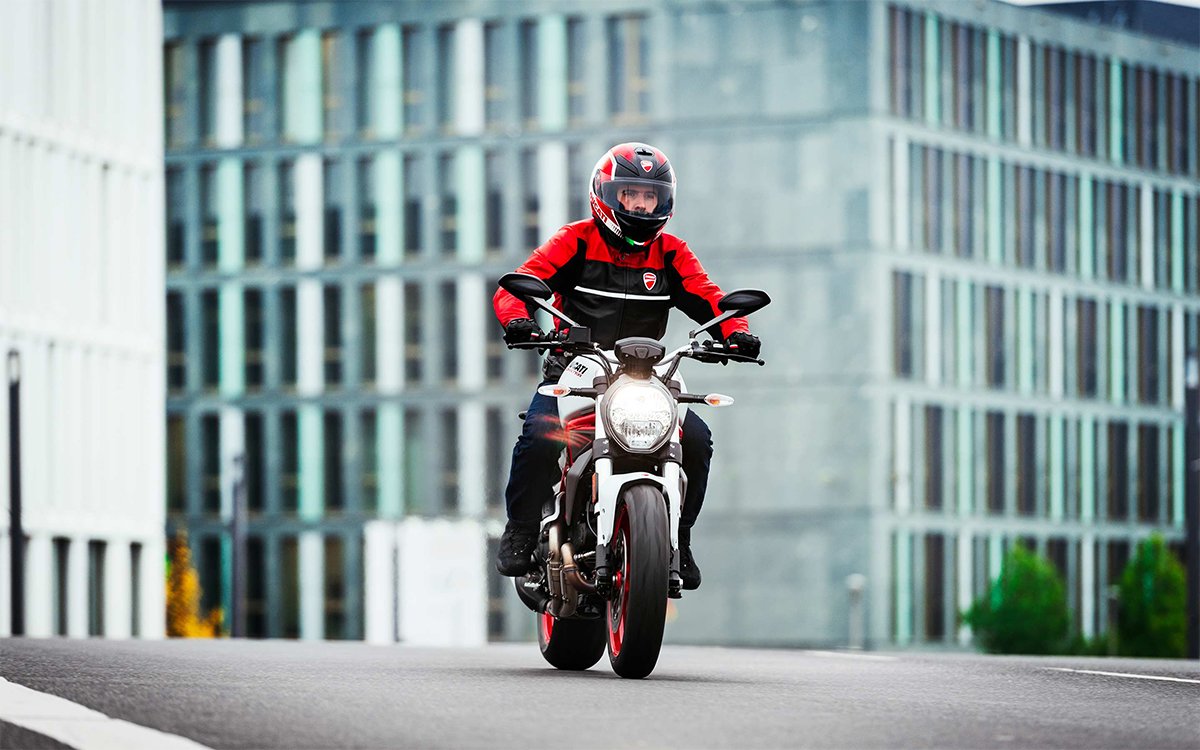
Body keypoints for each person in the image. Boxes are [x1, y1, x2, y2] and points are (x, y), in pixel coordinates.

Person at [491, 142, 761, 590]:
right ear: (606, 194)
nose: (639, 204)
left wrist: (736, 333)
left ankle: (679, 537)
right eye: (630, 193)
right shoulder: (576, 240)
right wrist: (519, 320)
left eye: (649, 196)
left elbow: (710, 298)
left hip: (645, 374)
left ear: (664, 202)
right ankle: (520, 528)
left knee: (696, 440)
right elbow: (517, 287)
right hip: (574, 368)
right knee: (540, 435)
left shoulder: (672, 252)